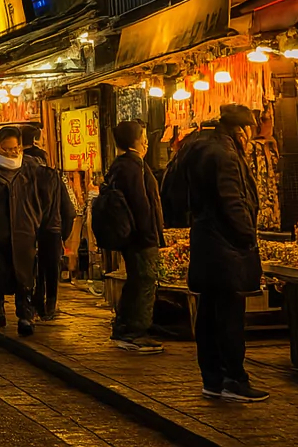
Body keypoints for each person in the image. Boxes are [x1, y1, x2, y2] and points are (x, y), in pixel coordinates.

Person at [163, 105, 268, 402]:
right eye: (249, 133)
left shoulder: (198, 148)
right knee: (229, 317)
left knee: (209, 315)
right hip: (225, 248)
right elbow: (231, 201)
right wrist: (247, 236)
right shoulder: (225, 157)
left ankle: (212, 379)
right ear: (241, 131)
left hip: (206, 242)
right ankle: (233, 378)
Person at [0, 126, 50, 336]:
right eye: (6, 149)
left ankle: (25, 316)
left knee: (25, 276)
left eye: (15, 148)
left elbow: (43, 197)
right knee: (0, 273)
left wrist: (36, 221)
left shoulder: (31, 167)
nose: (12, 153)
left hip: (25, 231)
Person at [106, 120, 165, 354]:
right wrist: (150, 234)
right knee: (144, 280)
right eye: (143, 137)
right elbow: (141, 203)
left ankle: (125, 328)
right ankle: (135, 332)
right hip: (140, 236)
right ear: (135, 140)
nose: (147, 142)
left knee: (136, 281)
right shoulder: (133, 166)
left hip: (134, 235)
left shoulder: (124, 165)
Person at [21, 125, 76, 321]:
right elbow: (69, 210)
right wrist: (63, 234)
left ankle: (31, 306)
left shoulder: (16, 176)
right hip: (51, 229)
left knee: (29, 268)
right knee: (50, 268)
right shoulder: (53, 176)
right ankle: (50, 305)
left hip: (26, 230)